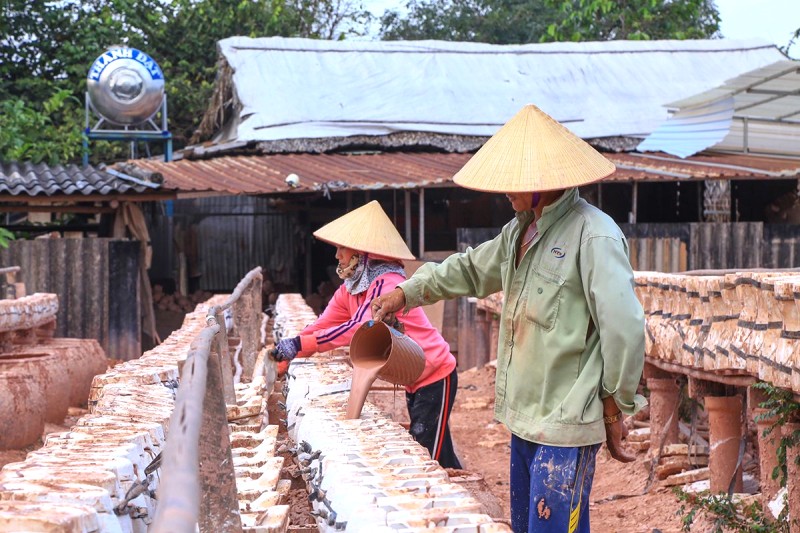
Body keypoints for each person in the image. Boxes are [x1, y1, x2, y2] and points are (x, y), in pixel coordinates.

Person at [370, 104, 646, 533]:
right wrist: (407, 292)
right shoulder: (519, 232)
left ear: (545, 183)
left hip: (566, 420)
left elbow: (624, 329)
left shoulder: (594, 235)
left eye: (515, 184)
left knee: (555, 528)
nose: (506, 193)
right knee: (527, 526)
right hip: (524, 417)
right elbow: (468, 268)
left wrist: (614, 407)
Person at [271, 200, 462, 469]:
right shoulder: (351, 289)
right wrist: (292, 350)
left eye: (342, 248)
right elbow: (322, 326)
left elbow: (360, 329)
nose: (337, 255)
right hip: (412, 375)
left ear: (362, 253)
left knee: (427, 456)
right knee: (433, 448)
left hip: (434, 375)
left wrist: (301, 343)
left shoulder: (390, 284)